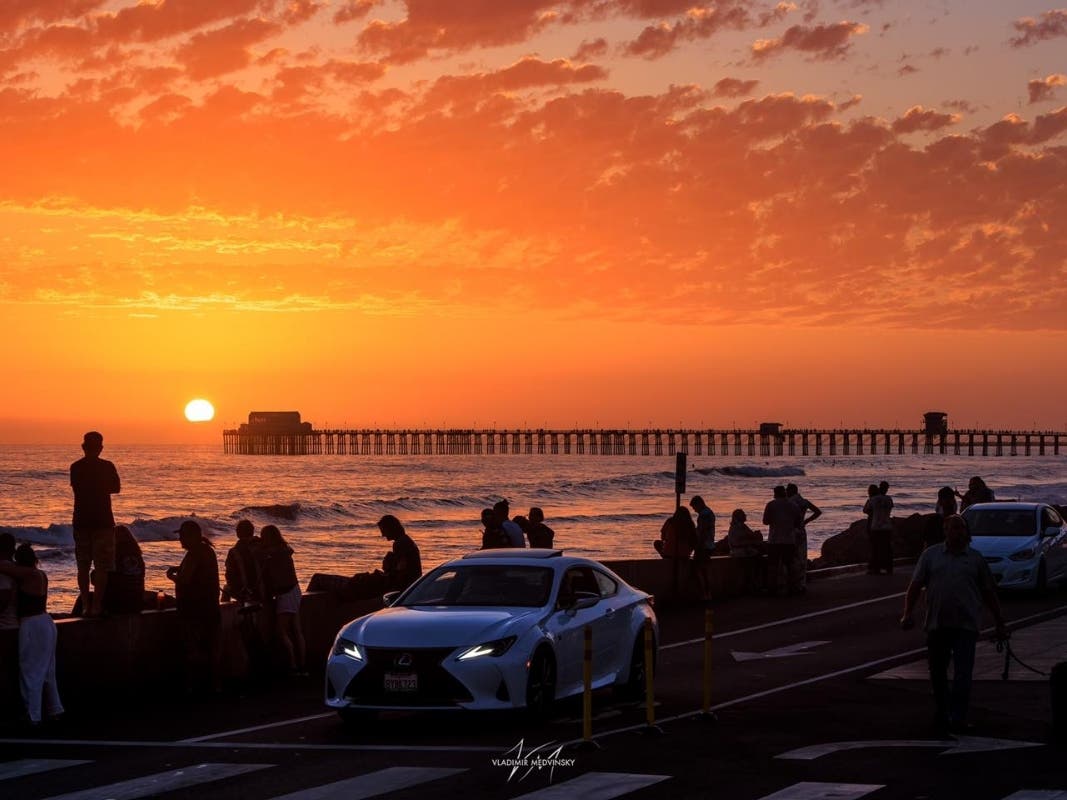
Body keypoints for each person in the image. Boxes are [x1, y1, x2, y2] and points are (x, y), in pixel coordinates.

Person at [900, 514, 1007, 735]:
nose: (958, 532)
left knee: (963, 674)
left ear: (967, 532)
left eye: (962, 528)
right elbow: (915, 585)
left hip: (966, 625)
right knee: (937, 672)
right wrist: (907, 613)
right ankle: (942, 711)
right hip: (937, 624)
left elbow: (988, 592)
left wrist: (999, 622)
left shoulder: (976, 559)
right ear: (945, 531)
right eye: (954, 528)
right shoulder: (930, 555)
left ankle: (958, 717)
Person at [0, 543, 63, 726]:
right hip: (46, 622)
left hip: (32, 624)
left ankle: (32, 715)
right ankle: (55, 709)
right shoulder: (40, 574)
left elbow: (4, 567)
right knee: (49, 671)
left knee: (30, 670)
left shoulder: (28, 574)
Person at [167, 520, 221, 694]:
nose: (180, 540)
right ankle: (214, 684)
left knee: (193, 647)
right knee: (211, 647)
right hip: (211, 606)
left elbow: (185, 579)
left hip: (194, 608)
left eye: (182, 536)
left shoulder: (195, 553)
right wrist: (179, 568)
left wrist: (171, 576)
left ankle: (194, 686)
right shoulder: (207, 551)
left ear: (192, 536)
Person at [71, 431, 121, 617]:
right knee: (102, 566)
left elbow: (79, 488)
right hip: (103, 522)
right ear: (100, 448)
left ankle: (86, 603)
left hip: (82, 521)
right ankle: (97, 605)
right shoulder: (107, 466)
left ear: (84, 447)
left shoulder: (76, 467)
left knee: (83, 566)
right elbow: (115, 488)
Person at [259, 525, 306, 677]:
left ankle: (292, 665)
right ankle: (302, 664)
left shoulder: (272, 554)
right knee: (296, 630)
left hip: (285, 594)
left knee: (282, 631)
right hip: (295, 590)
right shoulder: (284, 550)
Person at [763, 485, 803, 596]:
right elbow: (798, 522)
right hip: (789, 540)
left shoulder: (771, 505)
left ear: (775, 494)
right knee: (790, 565)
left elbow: (765, 521)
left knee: (772, 566)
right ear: (785, 493)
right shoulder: (793, 505)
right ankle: (793, 587)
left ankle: (772, 589)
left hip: (774, 540)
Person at [786, 483, 822, 595]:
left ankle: (793, 584)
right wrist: (806, 521)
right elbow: (818, 512)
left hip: (792, 531)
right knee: (802, 556)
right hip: (801, 530)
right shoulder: (804, 501)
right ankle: (801, 584)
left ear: (790, 491)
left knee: (792, 557)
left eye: (787, 490)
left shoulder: (789, 502)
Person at [222, 519, 265, 608]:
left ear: (238, 534)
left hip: (245, 593)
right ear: (252, 531)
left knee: (226, 588)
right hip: (265, 590)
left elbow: (229, 575)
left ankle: (226, 616)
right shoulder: (263, 545)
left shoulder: (234, 552)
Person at [102, 525, 145, 614]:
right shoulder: (138, 556)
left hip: (118, 601)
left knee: (83, 600)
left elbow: (102, 578)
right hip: (137, 600)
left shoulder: (115, 555)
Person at [378, 514, 422, 591]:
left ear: (390, 529)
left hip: (407, 584)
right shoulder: (405, 539)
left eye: (383, 531)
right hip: (413, 581)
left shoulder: (400, 543)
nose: (383, 535)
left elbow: (402, 569)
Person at [727, 509, 766, 594]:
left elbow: (750, 535)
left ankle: (755, 585)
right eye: (743, 514)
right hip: (738, 551)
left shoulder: (742, 526)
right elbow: (737, 542)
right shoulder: (736, 527)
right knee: (755, 560)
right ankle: (754, 586)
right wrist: (752, 540)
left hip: (744, 550)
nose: (745, 516)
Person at [689, 495, 716, 601]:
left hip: (704, 546)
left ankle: (705, 594)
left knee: (700, 571)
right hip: (709, 545)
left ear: (699, 503)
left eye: (694, 507)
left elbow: (702, 532)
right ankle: (707, 594)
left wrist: (698, 545)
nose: (694, 510)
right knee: (703, 570)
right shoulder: (709, 512)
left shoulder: (704, 515)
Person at [864, 481, 894, 574]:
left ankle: (876, 569)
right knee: (887, 548)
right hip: (887, 526)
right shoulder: (889, 499)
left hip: (876, 526)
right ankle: (889, 568)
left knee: (875, 548)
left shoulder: (873, 499)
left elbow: (866, 510)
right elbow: (890, 508)